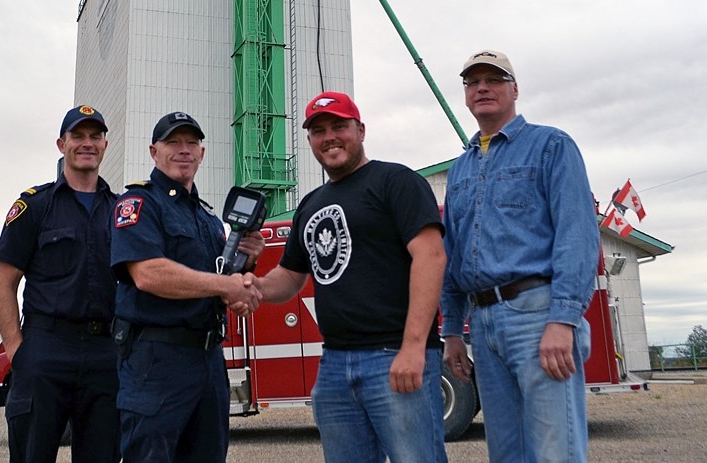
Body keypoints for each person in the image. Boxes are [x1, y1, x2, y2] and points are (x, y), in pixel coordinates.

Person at [243, 91, 449, 463]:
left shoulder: (396, 181)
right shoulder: (310, 204)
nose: (330, 137)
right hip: (335, 364)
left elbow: (432, 257)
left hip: (393, 356)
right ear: (309, 141)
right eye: (319, 131)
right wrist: (254, 287)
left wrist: (413, 347)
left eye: (340, 126)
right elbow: (290, 277)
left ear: (361, 130)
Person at [441, 50, 600, 463]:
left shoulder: (551, 146)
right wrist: (453, 331)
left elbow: (577, 235)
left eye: (494, 79)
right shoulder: (461, 168)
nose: (482, 88)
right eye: (473, 82)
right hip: (484, 323)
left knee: (554, 452)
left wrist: (563, 320)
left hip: (537, 315)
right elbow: (453, 253)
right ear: (465, 95)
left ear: (515, 89)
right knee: (506, 454)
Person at [110, 111, 264, 462]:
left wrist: (246, 267)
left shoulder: (209, 219)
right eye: (173, 142)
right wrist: (226, 285)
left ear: (202, 154)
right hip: (156, 361)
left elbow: (217, 288)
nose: (184, 150)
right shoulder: (138, 204)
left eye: (191, 143)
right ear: (154, 151)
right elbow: (148, 274)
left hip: (208, 360)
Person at [0, 105, 120, 463]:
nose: (87, 143)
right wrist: (18, 349)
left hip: (105, 354)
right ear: (61, 144)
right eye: (78, 136)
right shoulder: (34, 206)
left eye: (95, 136)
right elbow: (4, 283)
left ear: (106, 145)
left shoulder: (122, 210)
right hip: (46, 350)